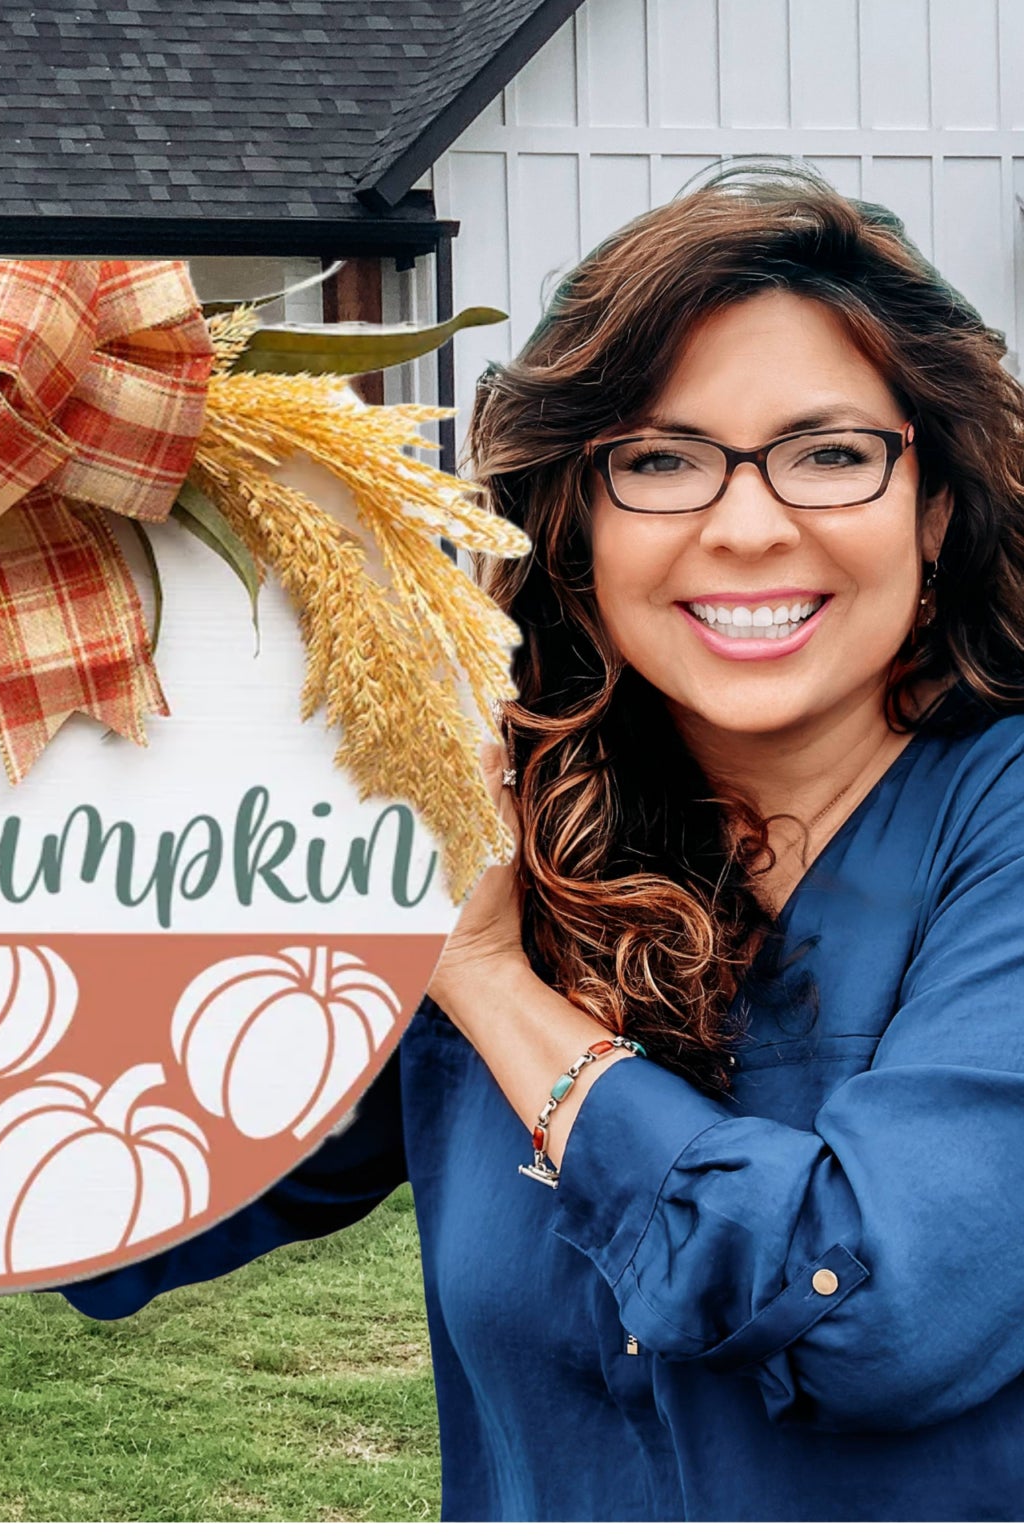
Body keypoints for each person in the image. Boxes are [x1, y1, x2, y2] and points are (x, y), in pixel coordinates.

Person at [61, 165, 1024, 1520]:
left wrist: (493, 984)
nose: (748, 526)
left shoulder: (998, 827)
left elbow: (875, 1313)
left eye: (830, 453)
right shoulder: (506, 824)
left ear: (933, 509)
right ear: (575, 526)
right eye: (662, 461)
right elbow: (114, 1200)